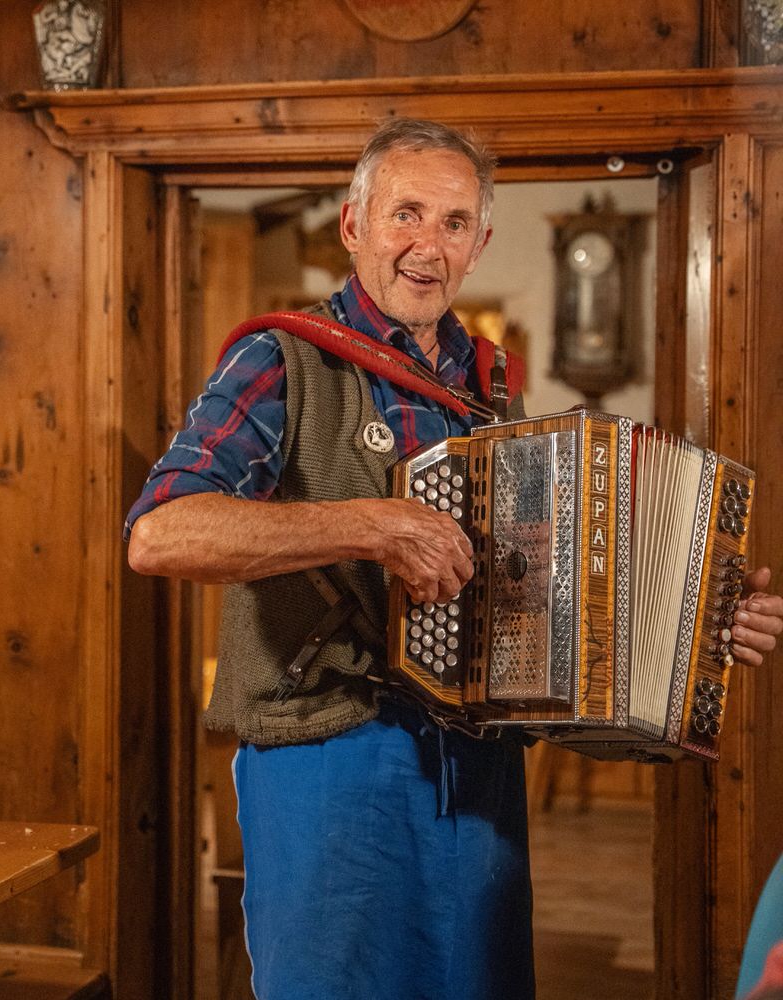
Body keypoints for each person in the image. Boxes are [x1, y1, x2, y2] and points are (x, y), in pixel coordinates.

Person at [125, 118, 783, 1000]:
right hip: (329, 755)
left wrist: (701, 625)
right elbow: (160, 532)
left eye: (453, 222)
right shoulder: (281, 358)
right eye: (406, 214)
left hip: (478, 770)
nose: (426, 245)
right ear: (355, 227)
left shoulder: (490, 394)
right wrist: (367, 525)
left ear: (479, 244)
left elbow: (542, 624)